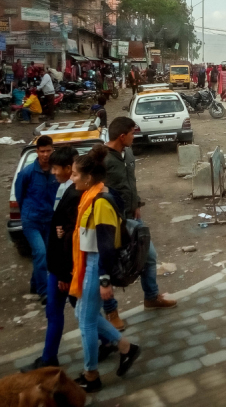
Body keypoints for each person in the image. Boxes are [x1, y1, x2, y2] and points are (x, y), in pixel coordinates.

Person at [69, 146, 141, 392]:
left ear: (88, 178)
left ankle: (91, 375)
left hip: (96, 265)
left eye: (75, 174)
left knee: (86, 322)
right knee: (82, 315)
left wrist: (104, 280)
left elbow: (106, 245)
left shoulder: (100, 202)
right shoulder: (92, 196)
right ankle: (125, 348)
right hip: (91, 262)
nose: (72, 178)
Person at [101, 117, 176, 331]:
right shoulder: (102, 159)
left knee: (149, 256)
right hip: (112, 221)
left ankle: (151, 297)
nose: (135, 137)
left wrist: (137, 203)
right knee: (112, 267)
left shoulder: (129, 153)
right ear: (122, 136)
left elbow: (130, 182)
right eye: (132, 133)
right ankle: (111, 312)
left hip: (133, 216)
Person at [21, 147, 81, 372]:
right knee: (73, 311)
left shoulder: (73, 193)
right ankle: (49, 358)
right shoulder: (64, 188)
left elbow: (70, 239)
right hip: (60, 267)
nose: (53, 172)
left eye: (56, 168)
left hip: (63, 269)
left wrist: (64, 273)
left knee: (67, 312)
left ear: (68, 168)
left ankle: (117, 343)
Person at [14, 135, 59, 302]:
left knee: (44, 255)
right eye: (42, 151)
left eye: (48, 150)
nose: (45, 154)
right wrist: (27, 213)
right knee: (40, 252)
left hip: (49, 219)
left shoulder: (56, 170)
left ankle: (35, 283)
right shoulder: (27, 173)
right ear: (37, 152)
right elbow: (19, 195)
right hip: (31, 220)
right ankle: (44, 291)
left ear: (52, 150)